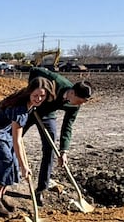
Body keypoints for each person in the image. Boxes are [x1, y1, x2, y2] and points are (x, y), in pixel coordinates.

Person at [0, 76, 56, 217]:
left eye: (42, 96)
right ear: (29, 92)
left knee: (12, 161)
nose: (38, 99)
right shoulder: (20, 109)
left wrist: (23, 163)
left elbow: (18, 142)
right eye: (35, 95)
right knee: (6, 161)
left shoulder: (29, 104)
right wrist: (24, 167)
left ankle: (0, 197)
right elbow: (17, 140)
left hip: (3, 129)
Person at [23, 67, 94, 205]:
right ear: (72, 93)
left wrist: (64, 151)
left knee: (50, 149)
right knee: (11, 138)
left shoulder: (75, 106)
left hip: (47, 114)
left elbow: (67, 126)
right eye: (80, 101)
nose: (80, 105)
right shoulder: (56, 81)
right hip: (31, 107)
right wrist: (33, 91)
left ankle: (41, 190)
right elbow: (34, 70)